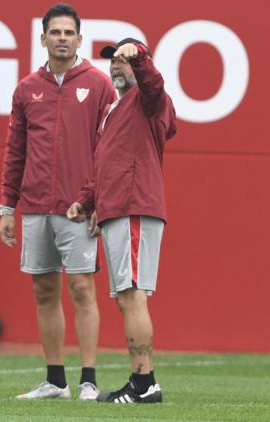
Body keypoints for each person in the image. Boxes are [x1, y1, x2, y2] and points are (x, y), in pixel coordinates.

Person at [0, 3, 116, 401]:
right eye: (55, 32)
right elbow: (15, 152)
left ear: (80, 39)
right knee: (44, 291)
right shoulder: (26, 89)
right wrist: (6, 208)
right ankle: (55, 380)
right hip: (33, 206)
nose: (62, 38)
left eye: (69, 32)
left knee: (83, 289)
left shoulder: (100, 85)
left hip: (77, 208)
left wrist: (98, 201)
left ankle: (88, 381)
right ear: (43, 38)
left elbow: (109, 150)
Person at [67, 38, 177, 404]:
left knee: (132, 297)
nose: (116, 65)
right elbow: (107, 164)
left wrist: (140, 58)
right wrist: (86, 202)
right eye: (113, 60)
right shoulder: (117, 109)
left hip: (133, 208)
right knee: (128, 298)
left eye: (123, 60)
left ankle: (143, 384)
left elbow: (155, 85)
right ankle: (144, 381)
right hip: (119, 209)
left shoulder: (149, 101)